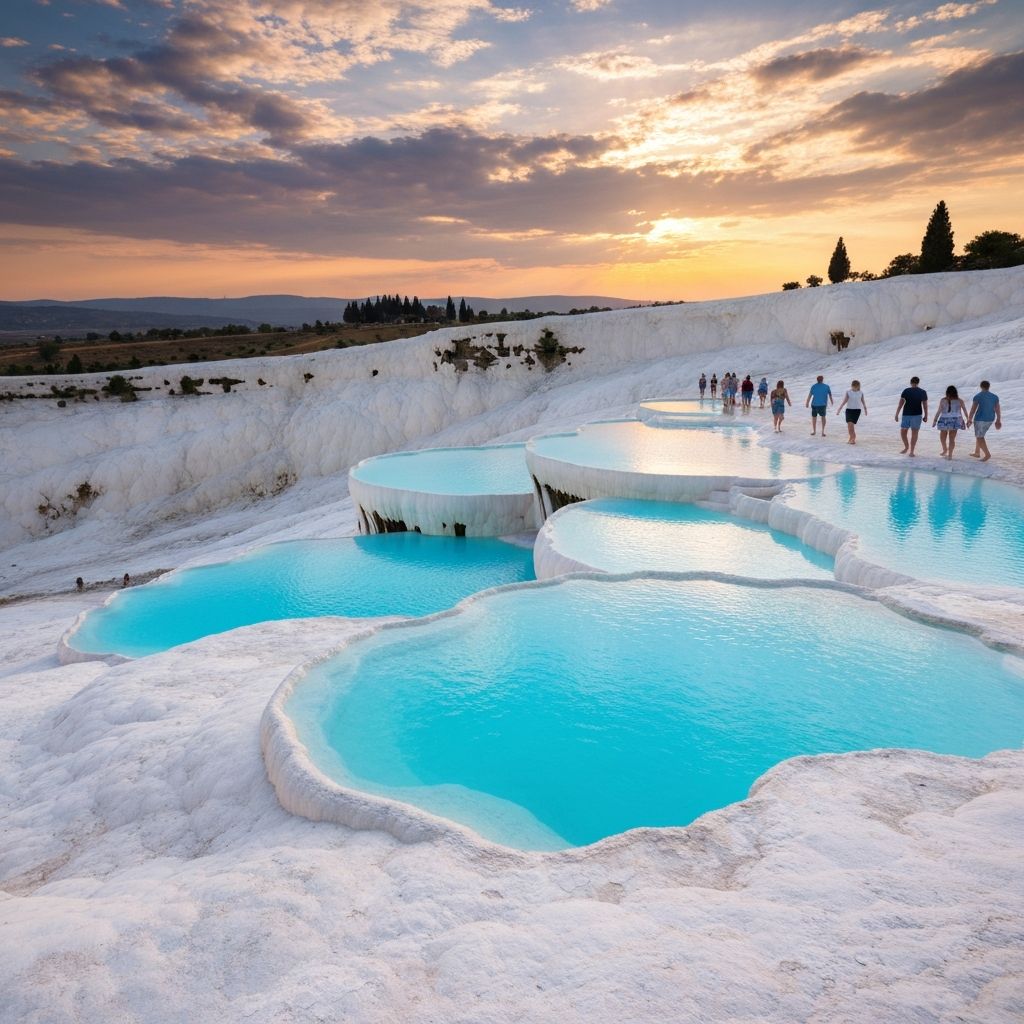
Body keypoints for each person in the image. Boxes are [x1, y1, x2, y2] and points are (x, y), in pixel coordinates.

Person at [966, 380, 1002, 462]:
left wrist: (969, 419)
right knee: (980, 435)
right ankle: (977, 452)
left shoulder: (978, 396)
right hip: (990, 419)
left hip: (980, 419)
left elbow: (973, 409)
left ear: (981, 386)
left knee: (979, 436)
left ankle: (987, 455)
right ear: (989, 387)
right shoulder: (995, 397)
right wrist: (998, 420)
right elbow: (997, 409)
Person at [894, 376, 928, 456]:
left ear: (911, 382)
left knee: (904, 432)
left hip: (908, 415)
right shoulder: (921, 392)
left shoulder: (908, 391)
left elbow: (900, 404)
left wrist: (896, 414)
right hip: (915, 415)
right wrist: (926, 415)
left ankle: (908, 448)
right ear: (918, 382)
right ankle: (910, 450)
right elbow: (925, 406)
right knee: (914, 433)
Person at [932, 385, 969, 460]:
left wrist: (935, 420)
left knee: (942, 437)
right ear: (956, 392)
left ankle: (945, 449)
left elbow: (939, 411)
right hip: (956, 420)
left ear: (947, 392)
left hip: (944, 420)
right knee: (952, 439)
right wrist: (968, 419)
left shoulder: (943, 400)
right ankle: (950, 455)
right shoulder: (960, 400)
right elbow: (965, 411)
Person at [835, 380, 867, 444]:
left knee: (851, 425)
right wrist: (839, 409)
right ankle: (852, 438)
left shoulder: (861, 392)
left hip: (857, 411)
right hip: (849, 410)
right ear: (852, 386)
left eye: (856, 387)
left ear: (858, 386)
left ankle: (852, 438)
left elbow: (863, 401)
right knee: (850, 425)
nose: (854, 388)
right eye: (853, 387)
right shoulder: (848, 392)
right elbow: (845, 401)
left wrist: (865, 409)